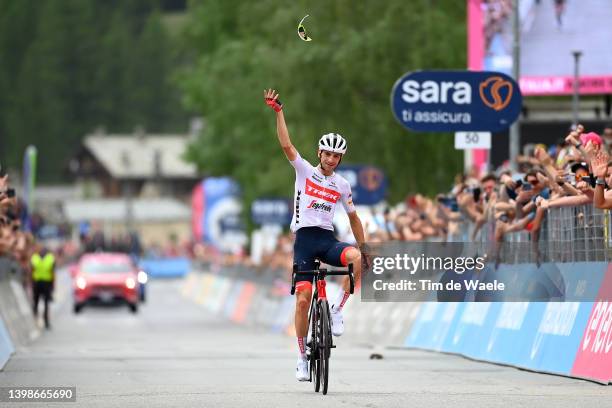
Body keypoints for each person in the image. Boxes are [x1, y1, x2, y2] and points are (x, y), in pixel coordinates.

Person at [264, 88, 368, 382]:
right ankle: (300, 358)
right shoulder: (304, 171)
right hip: (305, 242)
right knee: (303, 299)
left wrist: (365, 247)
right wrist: (279, 112)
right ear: (319, 153)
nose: (332, 159)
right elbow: (286, 145)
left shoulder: (343, 185)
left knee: (357, 259)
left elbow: (354, 218)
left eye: (337, 155)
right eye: (328, 153)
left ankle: (336, 309)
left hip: (327, 239)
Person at [31, 245, 55, 329]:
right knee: (44, 303)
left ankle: (39, 321)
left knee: (37, 303)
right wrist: (53, 286)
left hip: (37, 283)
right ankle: (45, 322)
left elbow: (32, 271)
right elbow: (53, 273)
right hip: (45, 283)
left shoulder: (34, 257)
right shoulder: (50, 258)